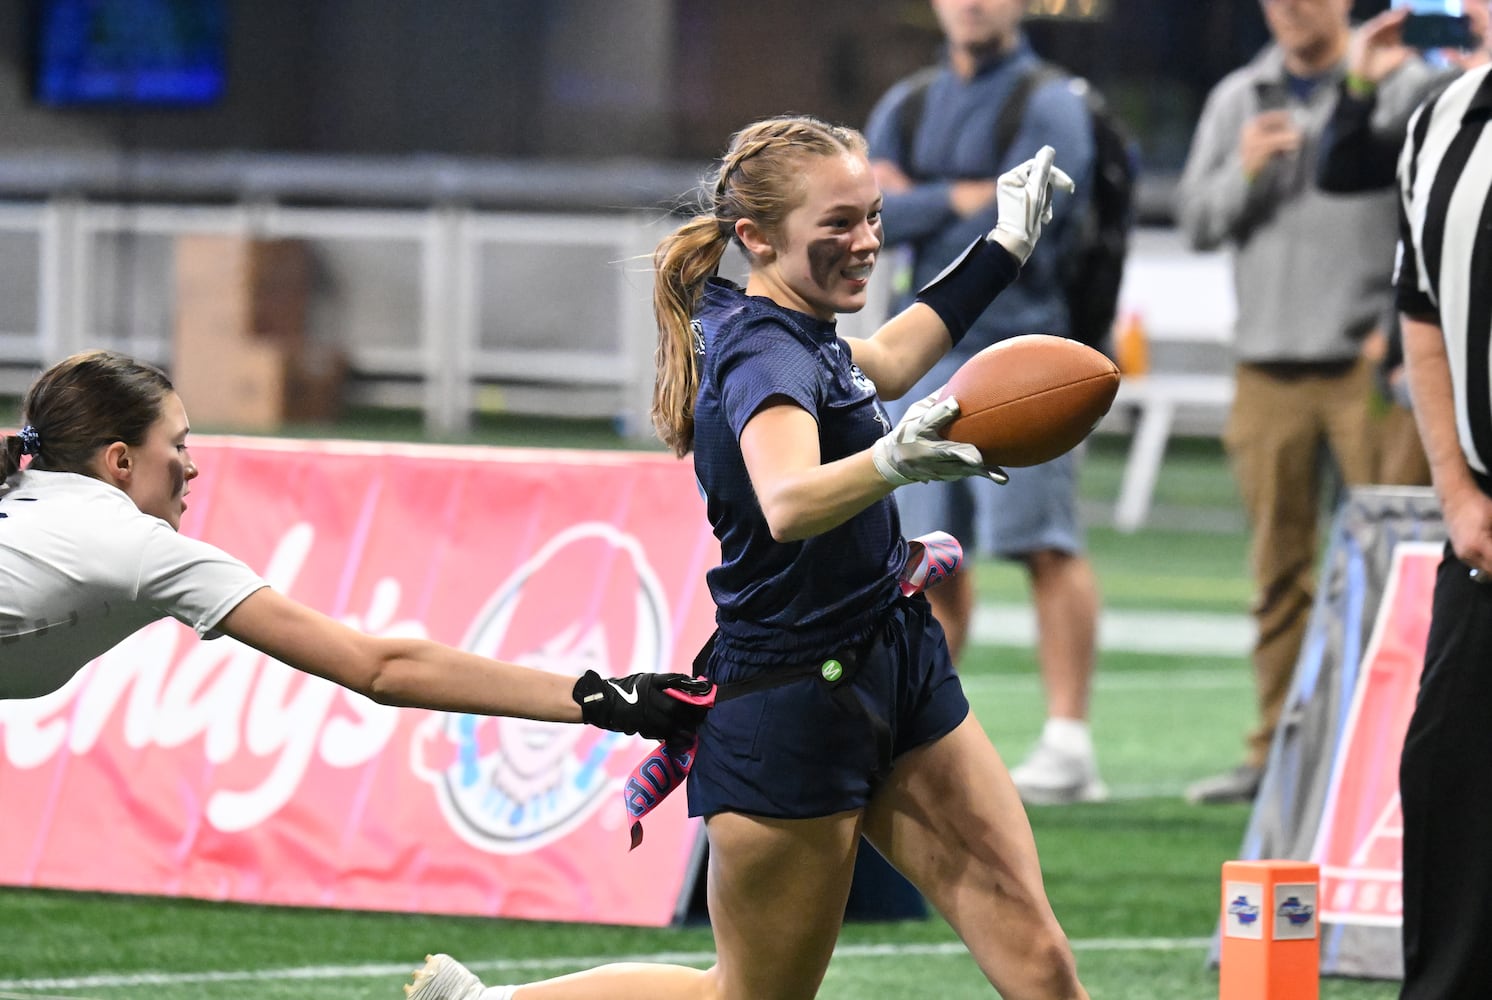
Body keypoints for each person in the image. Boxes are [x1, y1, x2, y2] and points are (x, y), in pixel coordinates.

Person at [404, 118, 1091, 1000]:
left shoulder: (794, 324)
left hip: (893, 655)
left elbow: (882, 360)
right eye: (838, 223)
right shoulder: (766, 347)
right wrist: (895, 462)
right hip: (795, 699)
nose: (868, 242)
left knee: (1036, 953)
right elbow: (790, 501)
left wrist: (1001, 247)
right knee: (745, 995)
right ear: (756, 238)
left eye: (875, 215)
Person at [0, 350, 712, 748]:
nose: (192, 466)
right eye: (179, 445)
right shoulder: (138, 546)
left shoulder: (36, 508)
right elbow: (380, 668)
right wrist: (600, 698)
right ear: (120, 461)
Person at [1174, 0, 1432, 806]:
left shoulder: (1402, 83)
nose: (1288, 7)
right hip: (1266, 363)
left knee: (1395, 571)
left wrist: (1394, 331)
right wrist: (1243, 170)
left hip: (1369, 364)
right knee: (1278, 572)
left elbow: (1429, 209)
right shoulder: (1239, 97)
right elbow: (1196, 222)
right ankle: (1275, 756)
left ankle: (1392, 754)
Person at [861, 0, 1105, 806]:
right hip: (923, 352)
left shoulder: (1052, 99)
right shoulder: (908, 101)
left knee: (1044, 543)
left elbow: (1045, 212)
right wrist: (964, 198)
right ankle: (917, 728)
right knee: (922, 558)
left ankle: (1069, 741)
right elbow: (871, 219)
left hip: (1027, 353)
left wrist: (923, 196)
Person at [1394, 58, 1492, 1000]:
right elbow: (1421, 313)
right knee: (1448, 779)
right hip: (1487, 532)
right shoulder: (1442, 123)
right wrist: (1457, 493)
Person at [1315, 2, 1490, 488]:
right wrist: (1360, 85)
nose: (1469, 11)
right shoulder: (1447, 114)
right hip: (1437, 368)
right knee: (1413, 533)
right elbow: (1341, 170)